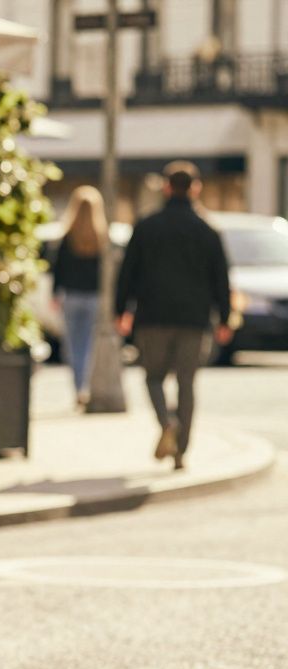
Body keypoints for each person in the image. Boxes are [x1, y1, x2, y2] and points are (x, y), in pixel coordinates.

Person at [114, 161, 233, 470]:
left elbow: (127, 272)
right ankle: (181, 452)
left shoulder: (146, 225)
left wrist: (120, 310)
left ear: (167, 187)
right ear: (195, 188)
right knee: (187, 383)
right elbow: (221, 277)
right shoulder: (207, 230)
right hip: (194, 320)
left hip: (152, 316)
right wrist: (225, 317)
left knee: (153, 377)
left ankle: (167, 422)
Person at [52, 185, 106, 409]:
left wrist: (55, 293)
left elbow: (58, 269)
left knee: (73, 346)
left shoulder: (68, 237)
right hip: (94, 298)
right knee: (89, 345)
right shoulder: (102, 238)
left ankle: (79, 387)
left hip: (72, 296)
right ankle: (85, 386)